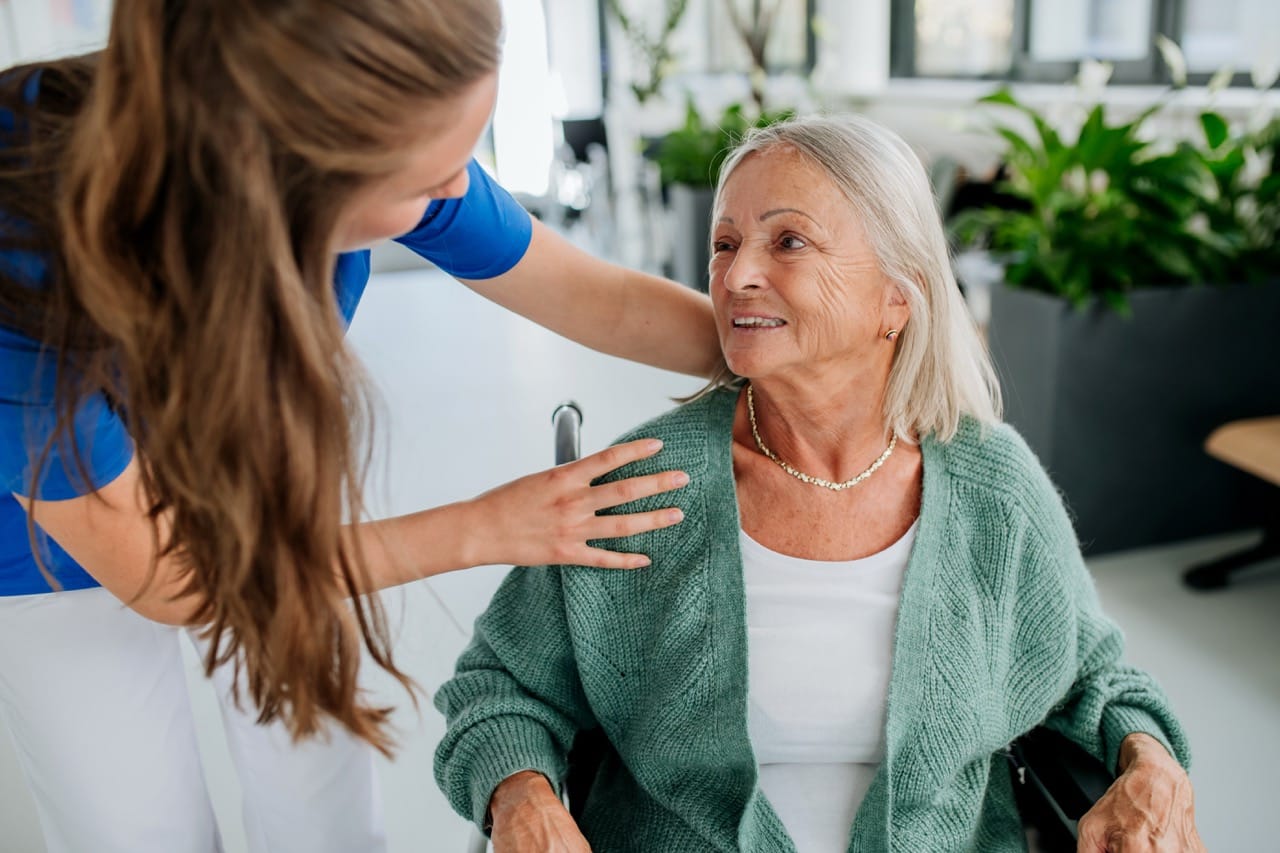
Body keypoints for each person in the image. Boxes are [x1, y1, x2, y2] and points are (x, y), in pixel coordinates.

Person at [0, 2, 716, 851]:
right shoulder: (22, 251)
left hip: (254, 453)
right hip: (51, 529)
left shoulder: (391, 138)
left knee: (322, 802)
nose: (459, 191)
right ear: (285, 172)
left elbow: (608, 300)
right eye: (428, 179)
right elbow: (179, 580)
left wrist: (798, 353)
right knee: (135, 830)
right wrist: (490, 526)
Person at [433, 115, 1206, 852]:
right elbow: (499, 687)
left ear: (896, 299)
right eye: (725, 243)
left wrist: (1150, 760)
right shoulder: (644, 485)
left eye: (789, 241)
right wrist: (521, 793)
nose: (736, 276)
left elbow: (1093, 678)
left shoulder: (991, 489)